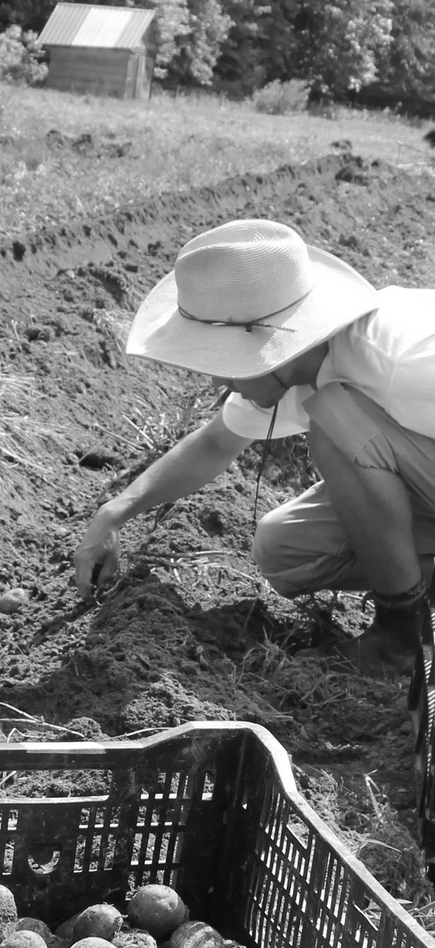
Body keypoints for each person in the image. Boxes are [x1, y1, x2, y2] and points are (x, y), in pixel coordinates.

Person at [73, 217, 435, 675]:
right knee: (285, 549)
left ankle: (399, 643)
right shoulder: (302, 364)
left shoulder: (404, 360)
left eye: (222, 360)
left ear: (272, 340)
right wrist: (114, 512)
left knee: (335, 430)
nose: (218, 379)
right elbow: (215, 443)